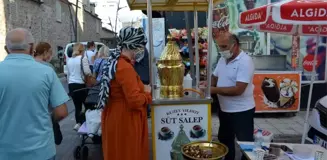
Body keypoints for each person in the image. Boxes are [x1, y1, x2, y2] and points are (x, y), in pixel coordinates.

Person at [0, 28, 69, 160]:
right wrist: (48, 119)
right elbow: (62, 112)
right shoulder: (47, 72)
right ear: (32, 48)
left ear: (6, 48)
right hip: (41, 151)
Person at [98, 26, 151, 160]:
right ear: (133, 45)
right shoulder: (125, 67)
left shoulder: (115, 62)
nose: (141, 50)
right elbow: (134, 101)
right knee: (127, 153)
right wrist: (147, 95)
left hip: (115, 115)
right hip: (125, 119)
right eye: (140, 46)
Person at [207, 32, 255, 160]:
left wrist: (212, 89)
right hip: (225, 110)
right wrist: (208, 84)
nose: (221, 50)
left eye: (224, 46)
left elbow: (239, 90)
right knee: (225, 141)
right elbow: (215, 76)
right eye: (219, 47)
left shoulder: (245, 61)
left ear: (235, 45)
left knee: (246, 145)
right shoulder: (223, 59)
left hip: (242, 111)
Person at [34, 42, 63, 145]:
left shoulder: (29, 64)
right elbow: (61, 110)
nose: (51, 56)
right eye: (50, 53)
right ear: (45, 52)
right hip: (47, 111)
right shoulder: (48, 67)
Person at [67, 43, 89, 130]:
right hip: (81, 84)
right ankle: (87, 123)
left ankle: (78, 123)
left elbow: (68, 74)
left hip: (71, 85)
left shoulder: (70, 60)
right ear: (81, 50)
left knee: (77, 106)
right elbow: (87, 72)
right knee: (87, 105)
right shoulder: (83, 58)